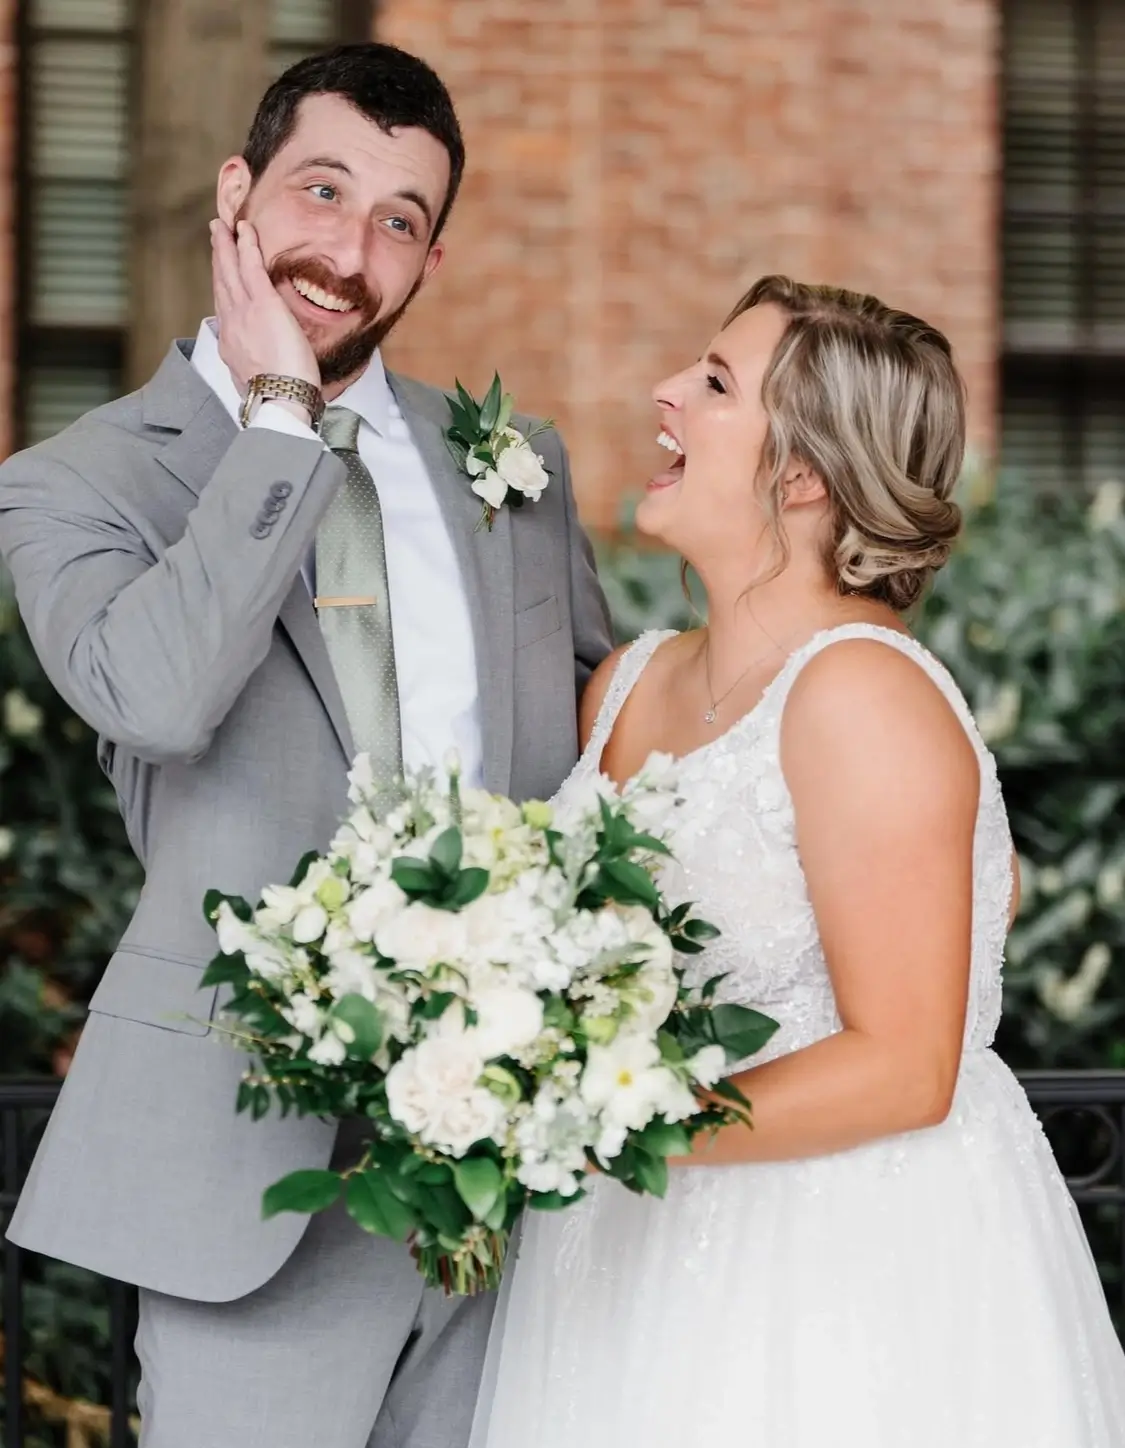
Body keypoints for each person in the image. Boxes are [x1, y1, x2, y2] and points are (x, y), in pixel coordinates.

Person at [0, 42, 611, 1448]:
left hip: (507, 1175)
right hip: (247, 1173)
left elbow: (603, 739)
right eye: (319, 192)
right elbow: (155, 698)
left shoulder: (508, 463)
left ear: (433, 261)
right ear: (236, 195)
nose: (349, 251)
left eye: (399, 219)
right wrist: (282, 420)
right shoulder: (76, 483)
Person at [471, 275, 1125, 1447]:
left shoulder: (861, 694)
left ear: (803, 474)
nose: (666, 392)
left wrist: (608, 1119)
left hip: (836, 1258)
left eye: (715, 384)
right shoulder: (624, 684)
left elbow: (906, 1063)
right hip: (621, 1256)